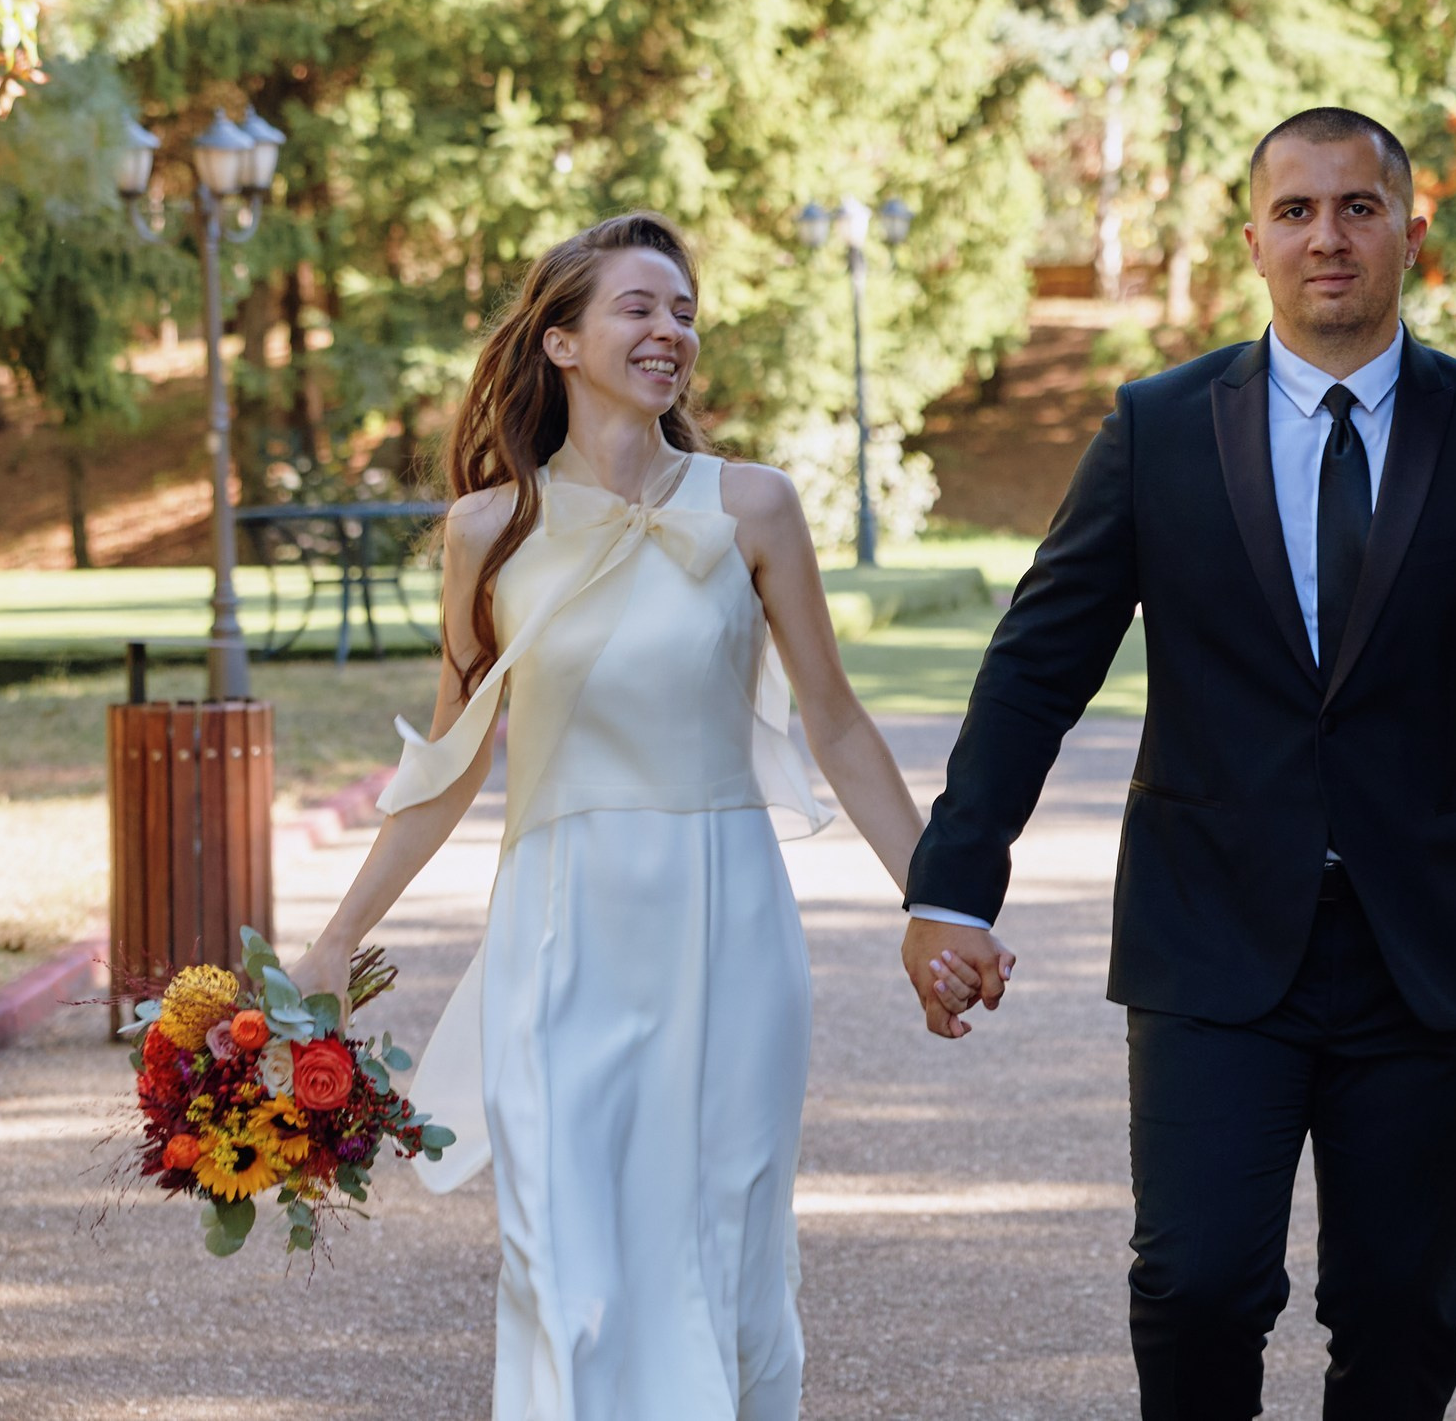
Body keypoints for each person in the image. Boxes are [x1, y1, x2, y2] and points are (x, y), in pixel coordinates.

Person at [898, 108, 1456, 1419]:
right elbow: (1039, 664)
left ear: (1411, 234)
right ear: (1253, 236)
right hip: (1209, 937)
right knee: (1196, 1281)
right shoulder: (1156, 429)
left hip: (1426, 947)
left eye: (1359, 208)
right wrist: (952, 886)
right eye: (1299, 210)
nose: (1329, 235)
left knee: (1402, 1305)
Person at [288, 211, 987, 1420]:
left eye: (684, 312)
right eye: (640, 307)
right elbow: (451, 768)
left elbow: (836, 723)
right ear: (559, 341)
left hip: (728, 922)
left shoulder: (752, 507)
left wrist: (940, 903)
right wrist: (333, 941)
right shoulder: (485, 532)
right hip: (560, 928)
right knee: (563, 1256)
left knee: (724, 1244)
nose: (672, 331)